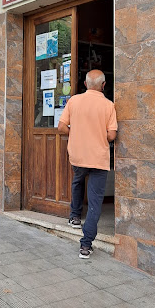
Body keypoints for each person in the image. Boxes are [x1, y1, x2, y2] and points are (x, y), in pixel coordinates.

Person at [58, 70, 117, 258]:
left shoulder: (74, 101)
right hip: (98, 158)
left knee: (78, 179)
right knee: (95, 202)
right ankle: (85, 245)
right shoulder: (109, 105)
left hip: (78, 155)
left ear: (85, 84)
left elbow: (61, 127)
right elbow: (111, 135)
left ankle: (74, 216)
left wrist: (75, 134)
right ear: (103, 85)